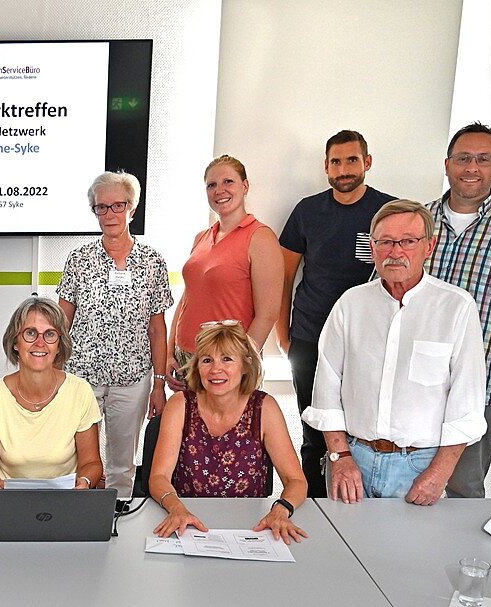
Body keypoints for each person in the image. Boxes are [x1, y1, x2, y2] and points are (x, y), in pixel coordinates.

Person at [303, 200, 487, 505]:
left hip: (419, 466)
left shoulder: (456, 307)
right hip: (353, 460)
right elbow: (326, 385)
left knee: (413, 553)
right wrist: (339, 456)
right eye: (385, 242)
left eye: (408, 241)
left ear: (429, 246)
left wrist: (438, 475)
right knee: (346, 548)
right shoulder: (351, 304)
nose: (395, 251)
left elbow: (465, 404)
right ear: (373, 247)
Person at [276, 130, 396, 497]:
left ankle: (357, 509)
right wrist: (284, 335)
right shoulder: (308, 211)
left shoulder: (388, 212)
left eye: (352, 160)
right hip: (310, 339)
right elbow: (284, 275)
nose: (343, 169)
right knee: (313, 434)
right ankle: (310, 506)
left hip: (369, 343)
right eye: (336, 162)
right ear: (326, 167)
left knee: (361, 433)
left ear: (367, 162)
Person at [426, 122, 491, 498]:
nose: (472, 167)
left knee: (463, 492)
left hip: (480, 391)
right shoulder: (417, 222)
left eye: (483, 159)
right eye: (463, 158)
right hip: (412, 389)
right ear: (447, 164)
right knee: (401, 491)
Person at [57, 170, 172, 497]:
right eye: (101, 207)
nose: (109, 214)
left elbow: (157, 327)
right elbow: (62, 319)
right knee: (78, 457)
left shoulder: (153, 261)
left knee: (122, 462)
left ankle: (117, 514)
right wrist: (52, 369)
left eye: (117, 206)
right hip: (81, 377)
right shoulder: (79, 258)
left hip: (133, 379)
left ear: (132, 209)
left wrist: (159, 383)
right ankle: (76, 513)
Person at [149, 321, 307, 543]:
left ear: (245, 365)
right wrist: (176, 508)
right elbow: (158, 477)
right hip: (188, 523)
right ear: (197, 367)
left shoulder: (265, 407)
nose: (215, 369)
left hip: (250, 527)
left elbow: (296, 481)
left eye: (227, 359)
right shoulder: (180, 405)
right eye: (207, 360)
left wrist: (281, 509)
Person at [167, 155, 283, 390]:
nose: (220, 190)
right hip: (187, 360)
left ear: (245, 186)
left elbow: (267, 315)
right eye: (212, 185)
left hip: (226, 366)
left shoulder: (260, 238)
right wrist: (170, 351)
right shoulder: (202, 237)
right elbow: (188, 298)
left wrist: (239, 364)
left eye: (228, 182)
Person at [0, 297, 103, 489]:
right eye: (30, 333)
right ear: (15, 342)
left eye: (49, 334)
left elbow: (92, 464)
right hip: (9, 502)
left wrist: (86, 481)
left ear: (59, 345)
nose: (40, 343)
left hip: (65, 503)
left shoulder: (80, 392)